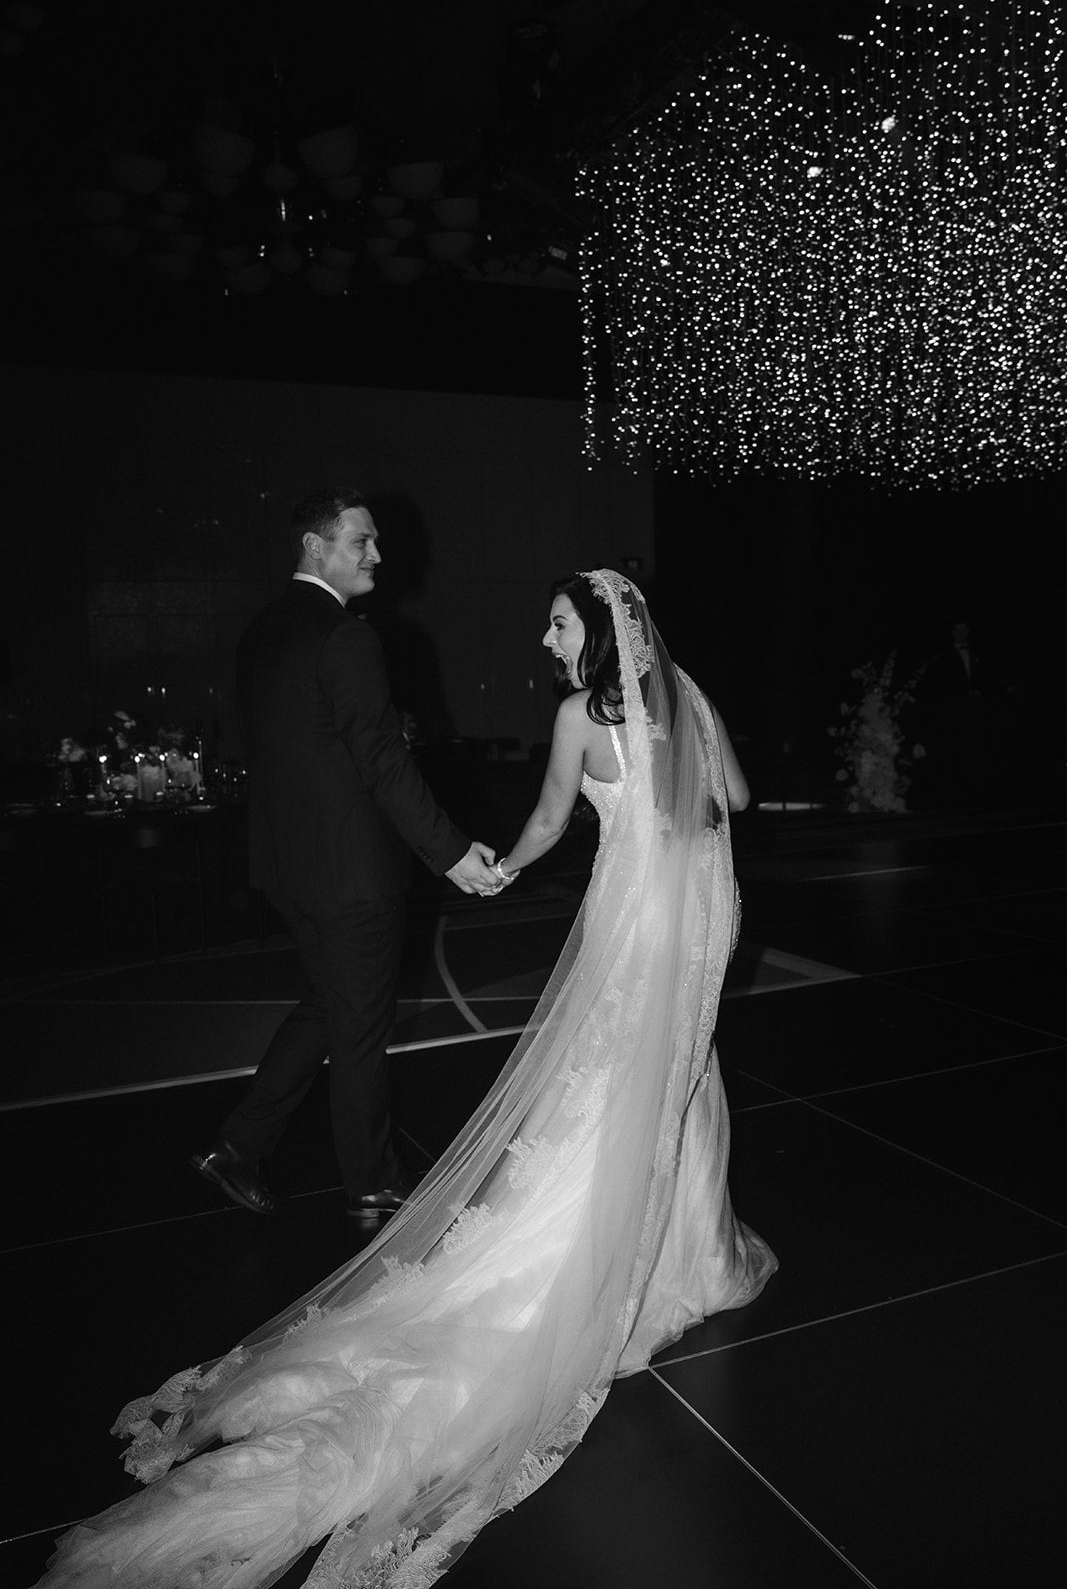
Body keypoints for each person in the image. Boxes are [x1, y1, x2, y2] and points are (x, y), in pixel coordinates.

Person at [37, 570, 776, 1588]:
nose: (545, 639)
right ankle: (678, 1257)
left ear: (599, 633)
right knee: (677, 1081)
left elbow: (553, 821)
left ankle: (608, 1255)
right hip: (692, 924)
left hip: (629, 928)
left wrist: (500, 867)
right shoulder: (685, 698)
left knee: (608, 1084)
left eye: (557, 624)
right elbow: (730, 799)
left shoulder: (575, 719)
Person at [191, 489, 502, 1227]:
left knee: (330, 1006)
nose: (378, 556)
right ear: (314, 545)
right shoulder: (346, 637)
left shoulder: (262, 630)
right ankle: (373, 1183)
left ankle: (239, 1146)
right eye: (361, 541)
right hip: (351, 872)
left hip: (286, 866)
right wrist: (451, 852)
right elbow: (381, 763)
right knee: (360, 1025)